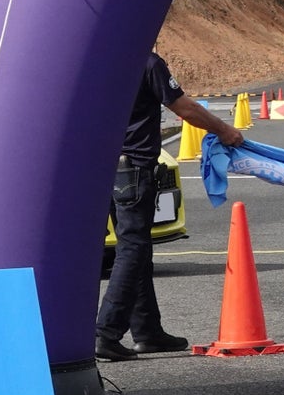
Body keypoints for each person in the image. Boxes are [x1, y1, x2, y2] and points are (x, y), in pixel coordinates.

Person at [96, 52, 244, 362]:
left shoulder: (99, 57)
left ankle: (147, 331)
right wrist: (224, 130)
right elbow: (185, 107)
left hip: (104, 167)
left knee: (135, 247)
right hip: (135, 166)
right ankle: (106, 331)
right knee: (133, 249)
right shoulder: (146, 62)